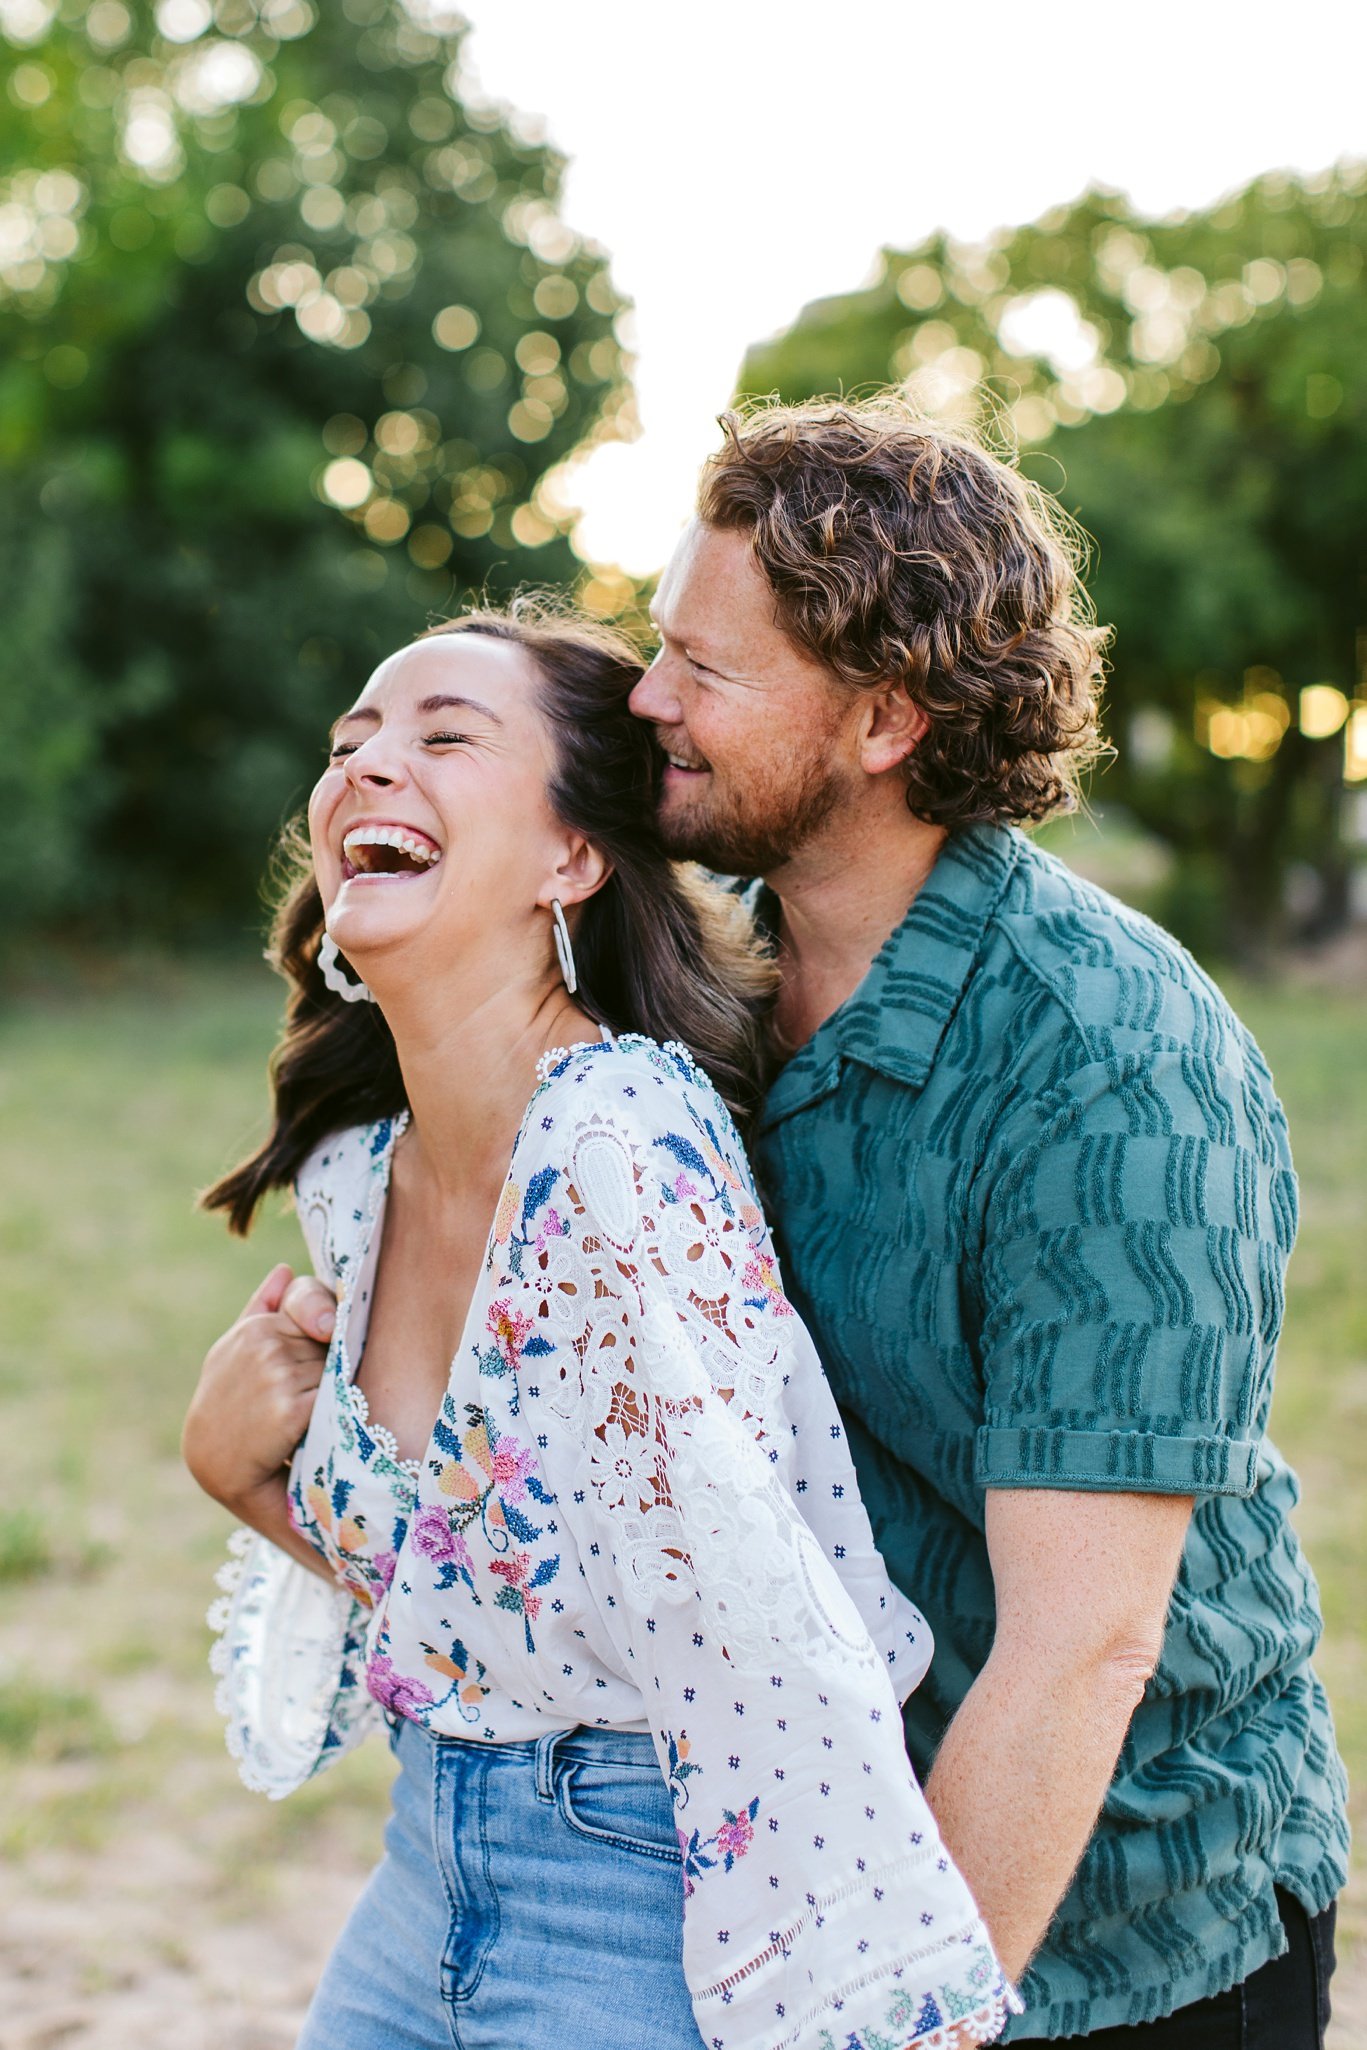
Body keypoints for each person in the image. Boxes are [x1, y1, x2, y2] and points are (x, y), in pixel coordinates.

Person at [206, 395, 1350, 2045]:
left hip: (1113, 1923)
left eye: (704, 669)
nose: (647, 698)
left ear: (882, 721)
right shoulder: (698, 1009)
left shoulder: (1108, 1059)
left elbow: (1081, 1648)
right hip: (787, 1877)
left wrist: (885, 2024)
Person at [184, 601, 1015, 2050]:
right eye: (350, 743)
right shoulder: (360, 1179)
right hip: (422, 1875)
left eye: (445, 736)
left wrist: (871, 2006)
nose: (367, 767)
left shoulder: (617, 1149)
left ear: (572, 856)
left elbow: (756, 1619)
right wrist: (243, 1475)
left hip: (630, 1904)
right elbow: (477, 1616)